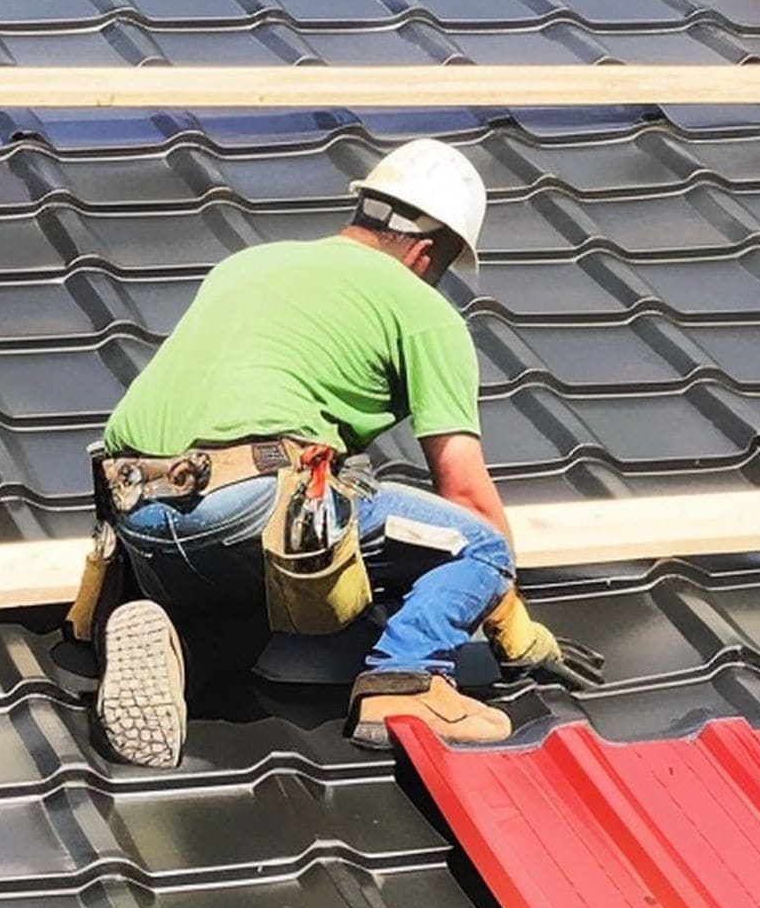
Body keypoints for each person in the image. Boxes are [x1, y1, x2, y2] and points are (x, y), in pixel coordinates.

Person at [89, 138, 598, 768]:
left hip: (138, 517)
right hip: (254, 502)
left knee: (275, 605)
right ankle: (406, 682)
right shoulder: (423, 311)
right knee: (479, 547)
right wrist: (514, 625)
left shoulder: (246, 265)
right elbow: (466, 492)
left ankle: (179, 646)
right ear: (426, 253)